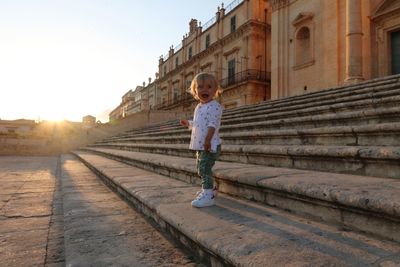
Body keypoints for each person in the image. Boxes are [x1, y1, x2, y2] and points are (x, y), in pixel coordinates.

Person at [180, 72, 223, 208]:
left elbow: (212, 124)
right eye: (200, 87)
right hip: (200, 145)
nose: (205, 90)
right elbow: (198, 123)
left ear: (215, 90)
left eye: (209, 87)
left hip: (209, 144)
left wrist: (208, 140)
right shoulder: (199, 107)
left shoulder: (215, 106)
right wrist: (189, 123)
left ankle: (208, 195)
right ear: (195, 91)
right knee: (201, 168)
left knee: (204, 168)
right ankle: (210, 189)